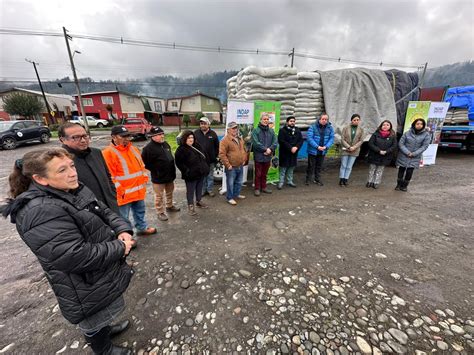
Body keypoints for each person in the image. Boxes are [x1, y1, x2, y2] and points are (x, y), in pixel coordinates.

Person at [1, 148, 134, 355]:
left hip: (98, 272)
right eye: (62, 170)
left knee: (101, 313)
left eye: (72, 166)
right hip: (82, 281)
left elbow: (103, 210)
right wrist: (120, 246)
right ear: (40, 179)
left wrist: (122, 229)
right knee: (92, 318)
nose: (73, 173)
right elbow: (73, 255)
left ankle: (105, 329)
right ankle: (103, 349)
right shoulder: (39, 210)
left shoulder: (71, 188)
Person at [102, 126, 157, 236]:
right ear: (113, 137)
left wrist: (144, 178)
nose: (127, 138)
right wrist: (119, 190)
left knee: (140, 211)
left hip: (138, 189)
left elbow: (141, 166)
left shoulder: (134, 149)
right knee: (123, 217)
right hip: (123, 193)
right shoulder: (108, 153)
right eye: (123, 136)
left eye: (128, 136)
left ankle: (142, 228)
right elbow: (110, 176)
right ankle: (127, 236)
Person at [59, 123, 119, 213]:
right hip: (87, 214)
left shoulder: (96, 153)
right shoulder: (59, 160)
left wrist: (113, 196)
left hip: (111, 208)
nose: (83, 140)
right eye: (76, 137)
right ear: (63, 140)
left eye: (85, 136)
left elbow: (108, 177)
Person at [141, 126, 180, 221]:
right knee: (159, 196)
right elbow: (144, 163)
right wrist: (156, 170)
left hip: (170, 175)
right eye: (159, 135)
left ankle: (169, 206)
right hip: (158, 177)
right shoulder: (148, 148)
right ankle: (160, 212)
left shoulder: (165, 144)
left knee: (169, 192)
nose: (162, 136)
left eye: (162, 134)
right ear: (152, 136)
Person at [175, 130, 210, 216]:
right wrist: (187, 171)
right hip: (190, 175)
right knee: (190, 191)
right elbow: (179, 163)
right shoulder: (181, 149)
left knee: (199, 188)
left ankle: (199, 201)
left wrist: (206, 166)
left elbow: (204, 155)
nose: (191, 139)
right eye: (189, 138)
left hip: (200, 173)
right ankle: (190, 206)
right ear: (184, 139)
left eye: (192, 137)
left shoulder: (197, 146)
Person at [395, 118, 430, 192]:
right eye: (417, 124)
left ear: (423, 125)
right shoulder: (407, 133)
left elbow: (424, 146)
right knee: (401, 169)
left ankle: (404, 186)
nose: (419, 125)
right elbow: (401, 143)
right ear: (414, 124)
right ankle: (398, 185)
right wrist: (407, 152)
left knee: (409, 171)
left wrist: (414, 153)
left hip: (415, 156)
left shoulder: (426, 135)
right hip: (404, 154)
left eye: (421, 124)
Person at [219, 121, 247, 205]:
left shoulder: (239, 138)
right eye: (233, 128)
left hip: (240, 165)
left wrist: (244, 158)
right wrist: (228, 165)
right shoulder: (224, 140)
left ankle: (236, 194)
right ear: (228, 130)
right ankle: (230, 198)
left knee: (239, 182)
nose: (235, 130)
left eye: (236, 128)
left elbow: (243, 149)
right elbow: (222, 154)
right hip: (231, 166)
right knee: (230, 183)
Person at [251, 113, 278, 196]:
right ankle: (257, 188)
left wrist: (270, 149)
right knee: (258, 174)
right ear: (260, 120)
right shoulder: (256, 131)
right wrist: (266, 149)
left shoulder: (271, 131)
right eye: (264, 119)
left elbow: (275, 142)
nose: (266, 121)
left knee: (264, 173)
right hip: (259, 156)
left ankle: (264, 187)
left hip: (267, 156)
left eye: (267, 119)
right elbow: (256, 143)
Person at [366, 120, 397, 189]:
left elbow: (394, 146)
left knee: (380, 170)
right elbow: (371, 143)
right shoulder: (375, 134)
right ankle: (369, 181)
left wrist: (386, 151)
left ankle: (376, 182)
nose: (385, 126)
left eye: (387, 125)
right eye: (384, 125)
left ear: (390, 127)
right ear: (381, 126)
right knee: (372, 169)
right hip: (374, 155)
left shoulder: (392, 136)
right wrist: (378, 150)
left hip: (385, 156)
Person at [306, 113, 335, 186]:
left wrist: (326, 146)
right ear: (319, 119)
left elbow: (331, 138)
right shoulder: (313, 127)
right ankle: (308, 179)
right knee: (311, 165)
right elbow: (309, 138)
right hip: (313, 150)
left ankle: (317, 179)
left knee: (319, 166)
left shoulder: (330, 128)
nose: (324, 121)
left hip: (323, 151)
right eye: (323, 119)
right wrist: (317, 146)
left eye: (326, 119)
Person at [194, 116, 219, 197]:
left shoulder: (213, 134)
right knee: (202, 176)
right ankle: (203, 190)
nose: (202, 125)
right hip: (199, 160)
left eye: (204, 124)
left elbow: (217, 147)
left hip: (210, 160)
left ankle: (210, 190)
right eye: (201, 124)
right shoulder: (196, 133)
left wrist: (215, 156)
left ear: (208, 124)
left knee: (210, 176)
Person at [277, 116, 303, 189]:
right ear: (287, 122)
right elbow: (281, 141)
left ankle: (289, 181)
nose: (292, 122)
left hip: (294, 152)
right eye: (291, 121)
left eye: (293, 121)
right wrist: (290, 148)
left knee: (291, 167)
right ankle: (281, 182)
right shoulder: (282, 130)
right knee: (283, 168)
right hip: (285, 152)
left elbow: (300, 140)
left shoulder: (297, 130)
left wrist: (296, 147)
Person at [339, 114, 365, 186]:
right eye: (354, 120)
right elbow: (342, 139)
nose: (356, 121)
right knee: (344, 165)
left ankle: (346, 179)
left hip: (355, 150)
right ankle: (341, 179)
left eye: (357, 120)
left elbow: (361, 140)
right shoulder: (345, 128)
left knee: (349, 166)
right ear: (351, 120)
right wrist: (348, 147)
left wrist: (354, 147)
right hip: (346, 149)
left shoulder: (361, 130)